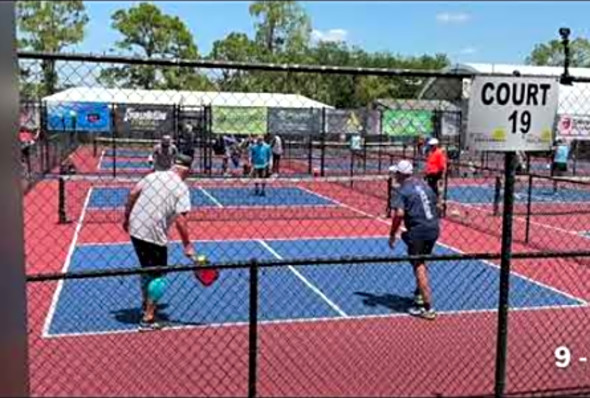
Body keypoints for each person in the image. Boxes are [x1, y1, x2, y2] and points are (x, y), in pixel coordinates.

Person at [123, 154, 196, 331]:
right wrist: (187, 245)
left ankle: (144, 303)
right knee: (159, 276)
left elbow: (132, 193)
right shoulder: (182, 188)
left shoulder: (152, 175)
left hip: (135, 229)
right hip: (154, 234)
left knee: (147, 268)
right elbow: (180, 220)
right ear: (188, 171)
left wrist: (126, 217)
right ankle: (148, 318)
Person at [388, 160, 440, 320]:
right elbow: (435, 206)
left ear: (400, 174)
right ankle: (419, 294)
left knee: (419, 266)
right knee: (422, 261)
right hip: (433, 228)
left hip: (419, 231)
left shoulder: (401, 190)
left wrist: (392, 234)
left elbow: (399, 214)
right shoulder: (424, 186)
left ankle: (427, 307)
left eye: (396, 172)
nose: (394, 175)